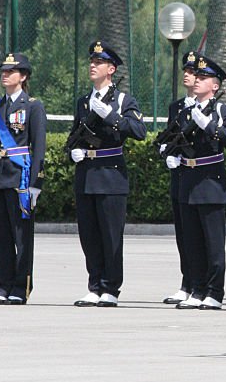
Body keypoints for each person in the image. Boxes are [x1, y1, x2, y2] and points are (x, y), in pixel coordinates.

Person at [69, 41, 147, 307]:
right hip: (86, 174)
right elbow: (74, 136)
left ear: (111, 69)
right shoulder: (82, 102)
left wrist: (112, 116)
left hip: (111, 175)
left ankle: (111, 287)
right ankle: (94, 285)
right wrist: (74, 152)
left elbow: (138, 131)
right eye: (91, 61)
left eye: (99, 62)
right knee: (89, 235)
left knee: (111, 236)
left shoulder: (124, 100)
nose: (93, 65)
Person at [167, 55, 226, 310]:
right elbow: (172, 139)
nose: (198, 81)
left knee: (213, 244)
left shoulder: (223, 111)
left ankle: (214, 291)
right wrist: (169, 153)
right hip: (188, 181)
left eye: (203, 78)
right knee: (192, 243)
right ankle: (197, 289)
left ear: (215, 86)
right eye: (197, 77)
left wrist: (211, 127)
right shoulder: (185, 110)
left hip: (210, 182)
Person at [0, 53, 46, 305]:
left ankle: (20, 286)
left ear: (23, 76)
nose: (5, 75)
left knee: (21, 236)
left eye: (11, 71)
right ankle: (3, 284)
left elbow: (39, 147)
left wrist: (36, 183)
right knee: (0, 236)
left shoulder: (33, 106)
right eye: (3, 71)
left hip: (20, 180)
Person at [158, 49, 198, 304]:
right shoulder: (177, 107)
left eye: (193, 72)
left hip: (199, 176)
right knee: (183, 235)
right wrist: (165, 151)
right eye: (185, 70)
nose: (187, 75)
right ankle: (186, 283)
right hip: (179, 176)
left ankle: (199, 285)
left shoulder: (212, 108)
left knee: (198, 236)